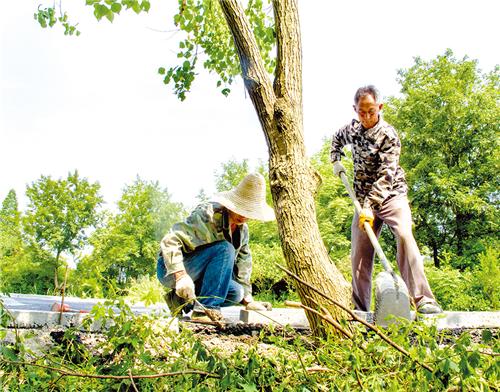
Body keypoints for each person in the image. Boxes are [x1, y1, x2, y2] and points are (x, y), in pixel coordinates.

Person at [330, 85, 442, 314]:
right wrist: (336, 159)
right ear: (355, 109)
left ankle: (423, 298)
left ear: (380, 107)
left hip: (391, 195)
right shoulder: (351, 130)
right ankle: (360, 308)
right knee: (359, 254)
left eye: (371, 111)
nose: (367, 117)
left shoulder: (389, 135)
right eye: (362, 112)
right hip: (362, 200)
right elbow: (336, 140)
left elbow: (386, 175)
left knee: (404, 234)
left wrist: (370, 207)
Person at [157, 172, 275, 322]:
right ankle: (204, 311)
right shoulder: (208, 215)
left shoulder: (242, 231)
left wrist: (248, 301)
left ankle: (178, 300)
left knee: (236, 293)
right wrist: (180, 276)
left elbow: (243, 263)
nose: (244, 216)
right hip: (171, 269)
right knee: (225, 249)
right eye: (242, 208)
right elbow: (170, 241)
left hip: (200, 277)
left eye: (249, 211)